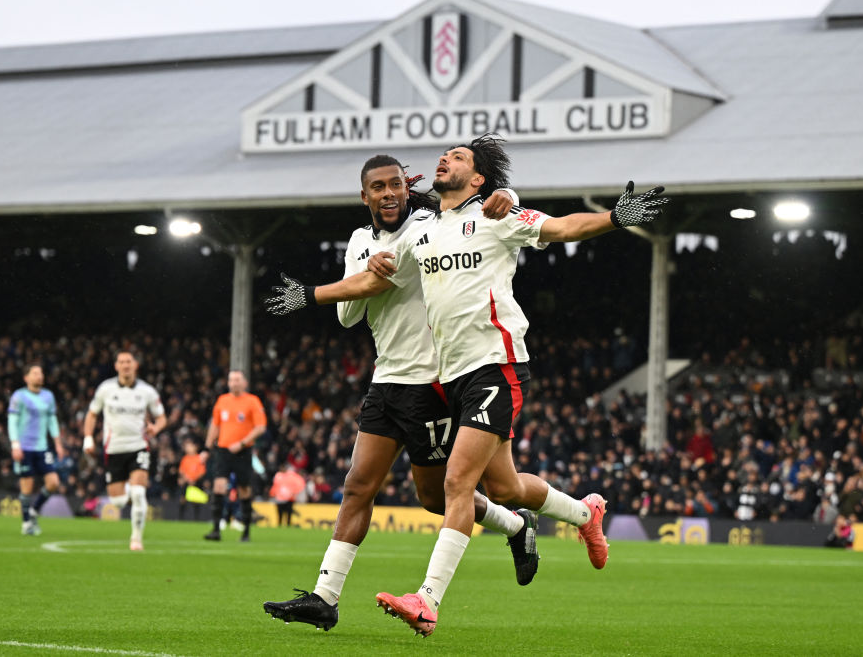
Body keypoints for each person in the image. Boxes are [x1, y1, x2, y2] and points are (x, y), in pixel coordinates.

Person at [267, 134, 669, 636]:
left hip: (495, 366)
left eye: (457, 157)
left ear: (478, 179)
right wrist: (314, 293)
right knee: (503, 487)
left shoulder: (498, 216)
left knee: (456, 484)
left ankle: (427, 600)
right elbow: (372, 286)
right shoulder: (422, 232)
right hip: (453, 376)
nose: (444, 159)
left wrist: (614, 217)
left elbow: (562, 227)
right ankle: (584, 512)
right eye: (444, 155)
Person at [262, 155, 540, 632]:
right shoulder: (359, 241)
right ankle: (324, 598)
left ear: (407, 190)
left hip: (431, 383)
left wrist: (509, 195)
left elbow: (480, 208)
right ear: (364, 195)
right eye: (378, 187)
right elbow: (348, 317)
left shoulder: (430, 224)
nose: (389, 193)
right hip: (386, 380)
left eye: (396, 184)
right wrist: (365, 272)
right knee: (357, 485)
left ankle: (515, 525)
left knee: (438, 498)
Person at [83, 350, 167, 551]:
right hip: (113, 449)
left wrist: (156, 427)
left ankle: (136, 538)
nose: (125, 365)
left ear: (135, 365)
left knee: (138, 493)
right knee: (119, 502)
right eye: (121, 362)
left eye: (129, 361)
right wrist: (88, 438)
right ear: (116, 366)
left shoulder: (147, 392)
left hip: (138, 446)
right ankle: (131, 491)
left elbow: (162, 417)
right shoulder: (106, 389)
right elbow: (92, 414)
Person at [203, 370, 267, 542]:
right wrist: (207, 448)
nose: (234, 382)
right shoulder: (222, 400)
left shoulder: (252, 401)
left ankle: (246, 531)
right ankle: (216, 530)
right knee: (219, 486)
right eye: (231, 379)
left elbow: (260, 427)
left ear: (244, 383)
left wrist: (243, 443)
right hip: (223, 450)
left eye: (237, 379)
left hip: (243, 451)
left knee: (244, 489)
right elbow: (215, 425)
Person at [7, 363, 65, 535]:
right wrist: (15, 445)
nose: (39, 376)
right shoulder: (19, 396)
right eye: (35, 373)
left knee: (53, 482)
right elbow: (12, 421)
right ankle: (26, 523)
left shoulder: (48, 396)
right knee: (27, 487)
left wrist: (58, 443)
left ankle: (34, 510)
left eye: (41, 373)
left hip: (42, 447)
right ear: (26, 378)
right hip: (24, 447)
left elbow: (52, 421)